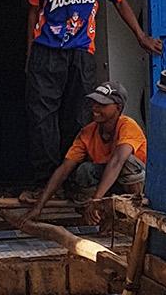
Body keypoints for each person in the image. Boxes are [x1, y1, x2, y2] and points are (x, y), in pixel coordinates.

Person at [23, 0, 162, 198]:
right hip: (46, 51)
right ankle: (45, 181)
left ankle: (76, 180)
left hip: (81, 50)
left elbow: (120, 1)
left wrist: (140, 36)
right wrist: (30, 54)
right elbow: (33, 11)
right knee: (42, 117)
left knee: (80, 115)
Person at [22, 81, 146, 226]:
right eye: (94, 103)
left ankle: (134, 214)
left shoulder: (128, 126)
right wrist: (39, 206)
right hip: (107, 184)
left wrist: (96, 200)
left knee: (127, 162)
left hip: (136, 184)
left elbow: (117, 162)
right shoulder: (87, 132)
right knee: (84, 171)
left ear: (118, 108)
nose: (95, 108)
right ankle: (101, 215)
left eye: (102, 105)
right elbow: (64, 169)